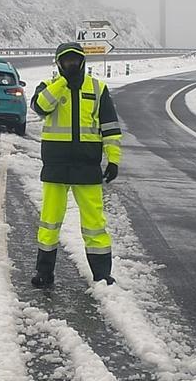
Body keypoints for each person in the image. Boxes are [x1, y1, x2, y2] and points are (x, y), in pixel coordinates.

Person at [29, 42, 122, 288]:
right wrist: (63, 82)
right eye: (66, 61)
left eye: (75, 60)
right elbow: (40, 107)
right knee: (49, 222)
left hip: (87, 166)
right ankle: (44, 272)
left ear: (83, 61)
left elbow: (110, 128)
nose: (71, 64)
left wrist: (113, 159)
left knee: (95, 224)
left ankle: (102, 275)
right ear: (58, 63)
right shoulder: (48, 87)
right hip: (55, 166)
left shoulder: (97, 88)